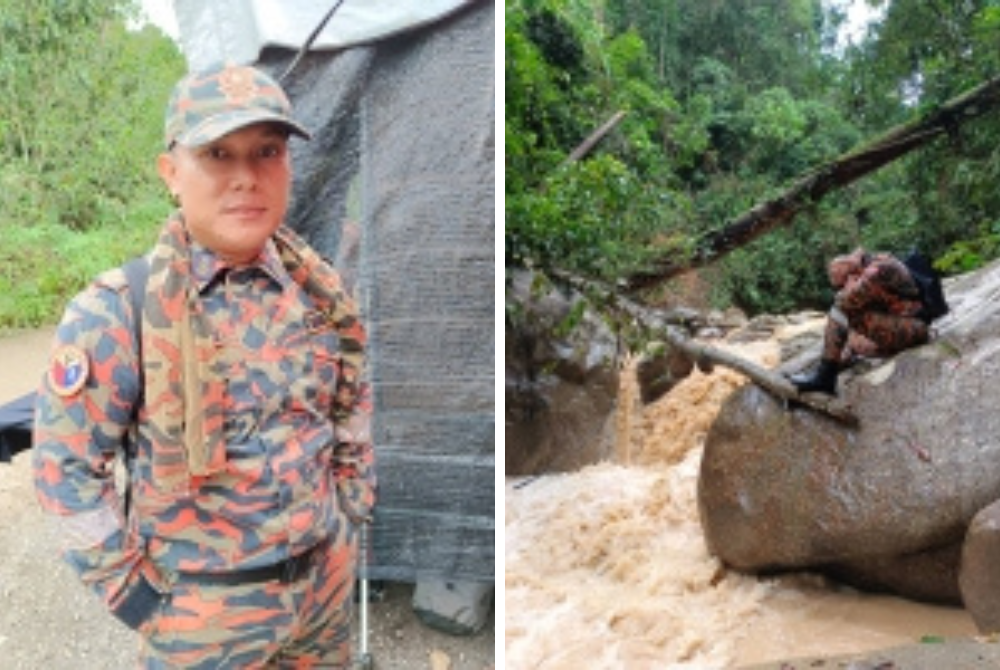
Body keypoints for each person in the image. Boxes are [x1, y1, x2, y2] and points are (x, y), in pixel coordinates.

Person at [32, 62, 374, 668]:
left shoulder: (318, 291)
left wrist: (350, 512)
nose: (246, 177)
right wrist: (137, 598)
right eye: (217, 153)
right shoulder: (117, 312)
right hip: (205, 620)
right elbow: (65, 477)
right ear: (171, 172)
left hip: (323, 596)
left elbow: (349, 407)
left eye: (267, 151)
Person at [787, 247, 929, 396]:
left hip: (915, 329)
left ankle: (825, 377)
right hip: (903, 325)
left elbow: (843, 303)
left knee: (841, 312)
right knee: (850, 336)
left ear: (850, 270)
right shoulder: (868, 264)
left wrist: (847, 289)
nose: (842, 286)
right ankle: (827, 369)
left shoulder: (878, 269)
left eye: (842, 281)